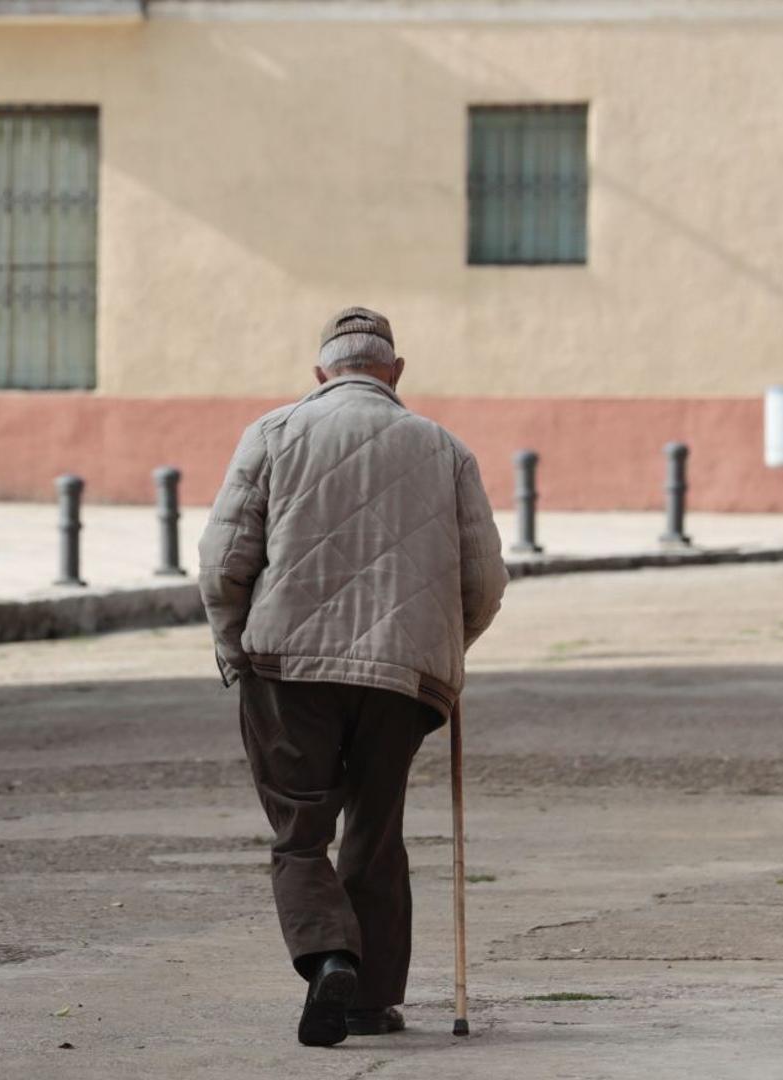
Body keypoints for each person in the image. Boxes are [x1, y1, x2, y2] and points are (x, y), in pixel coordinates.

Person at [198, 306, 507, 1047]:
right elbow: (486, 579)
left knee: (301, 834)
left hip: (286, 666)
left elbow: (222, 560)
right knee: (376, 831)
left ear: (320, 375)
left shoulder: (273, 432)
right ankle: (370, 1003)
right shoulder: (446, 449)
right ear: (394, 373)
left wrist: (230, 643)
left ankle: (329, 954)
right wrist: (443, 650)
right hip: (401, 676)